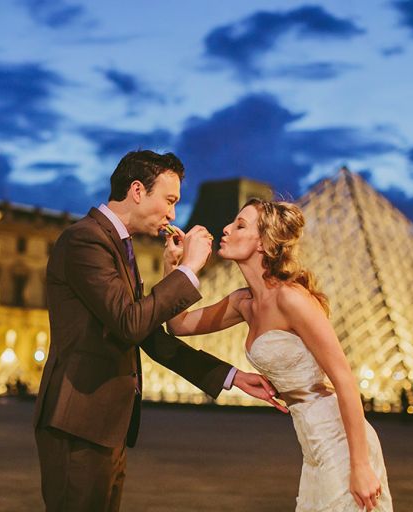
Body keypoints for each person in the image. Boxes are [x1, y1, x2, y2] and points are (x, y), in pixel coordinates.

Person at [33, 151, 283, 511]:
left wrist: (230, 376)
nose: (173, 215)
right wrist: (191, 269)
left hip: (104, 426)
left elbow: (149, 335)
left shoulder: (118, 246)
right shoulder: (85, 240)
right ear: (137, 190)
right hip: (78, 424)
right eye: (169, 200)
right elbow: (131, 323)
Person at [166, 198, 393, 512]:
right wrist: (176, 267)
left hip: (341, 440)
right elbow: (177, 325)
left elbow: (344, 379)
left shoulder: (291, 298)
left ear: (262, 243)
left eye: (240, 225)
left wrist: (361, 465)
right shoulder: (242, 302)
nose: (227, 229)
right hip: (312, 446)